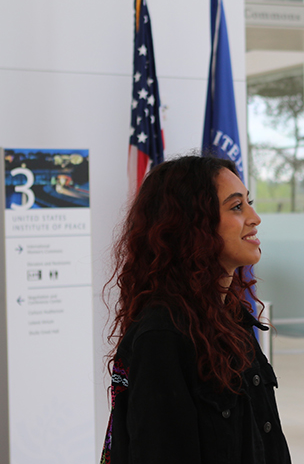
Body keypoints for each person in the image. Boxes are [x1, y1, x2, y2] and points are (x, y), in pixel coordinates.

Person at [100, 156, 292, 464]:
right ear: (192, 225)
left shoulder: (230, 317)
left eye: (249, 203)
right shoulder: (162, 335)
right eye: (236, 207)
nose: (255, 218)